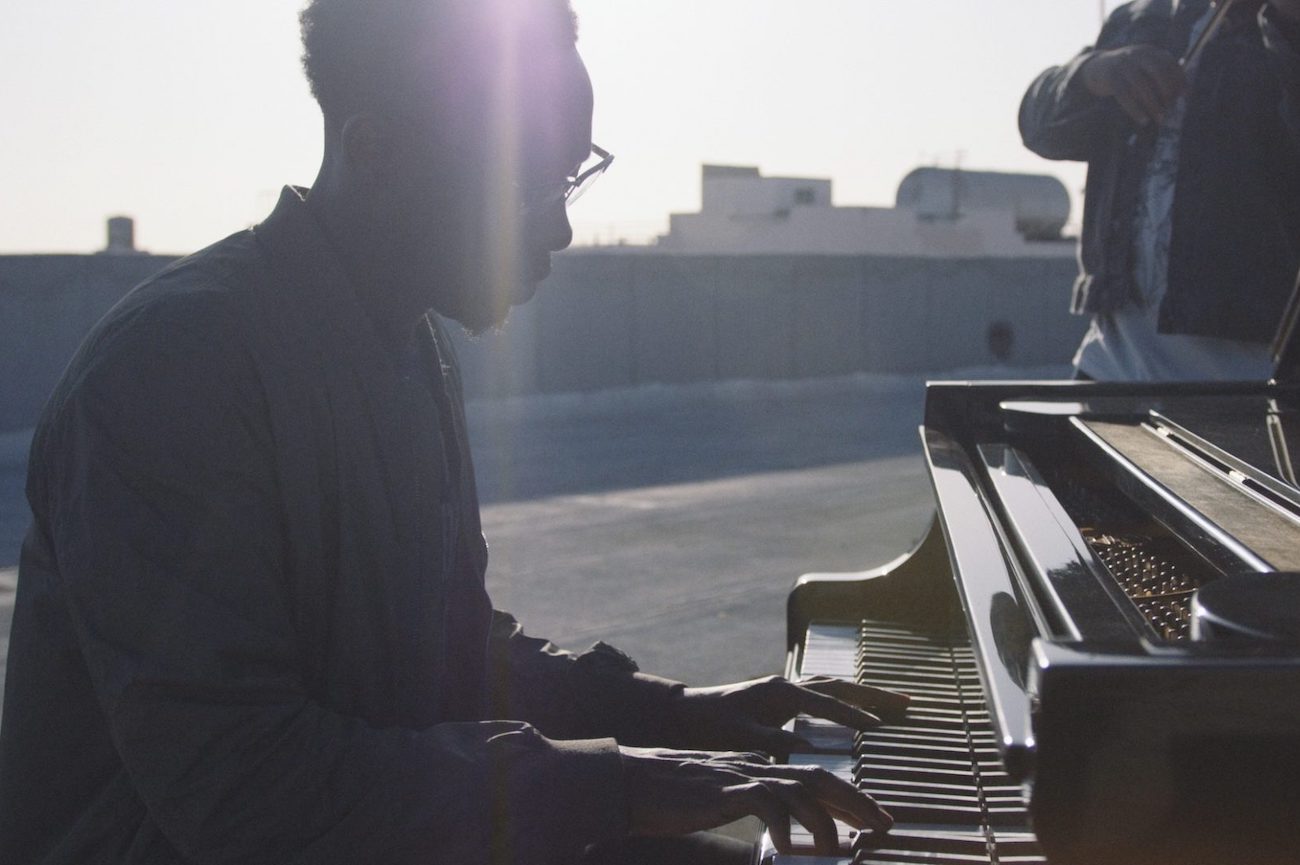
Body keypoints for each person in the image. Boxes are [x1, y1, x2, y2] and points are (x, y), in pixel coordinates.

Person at [0, 1, 908, 864]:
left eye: (571, 175)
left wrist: (670, 711)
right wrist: (612, 787)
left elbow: (445, 657)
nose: (557, 226)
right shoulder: (173, 370)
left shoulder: (407, 345)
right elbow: (247, 791)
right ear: (377, 150)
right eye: (524, 185)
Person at [1020, 0, 1300, 381]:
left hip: (1252, 381)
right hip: (1110, 366)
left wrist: (1286, 27)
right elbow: (1039, 129)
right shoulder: (1139, 17)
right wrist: (1092, 72)